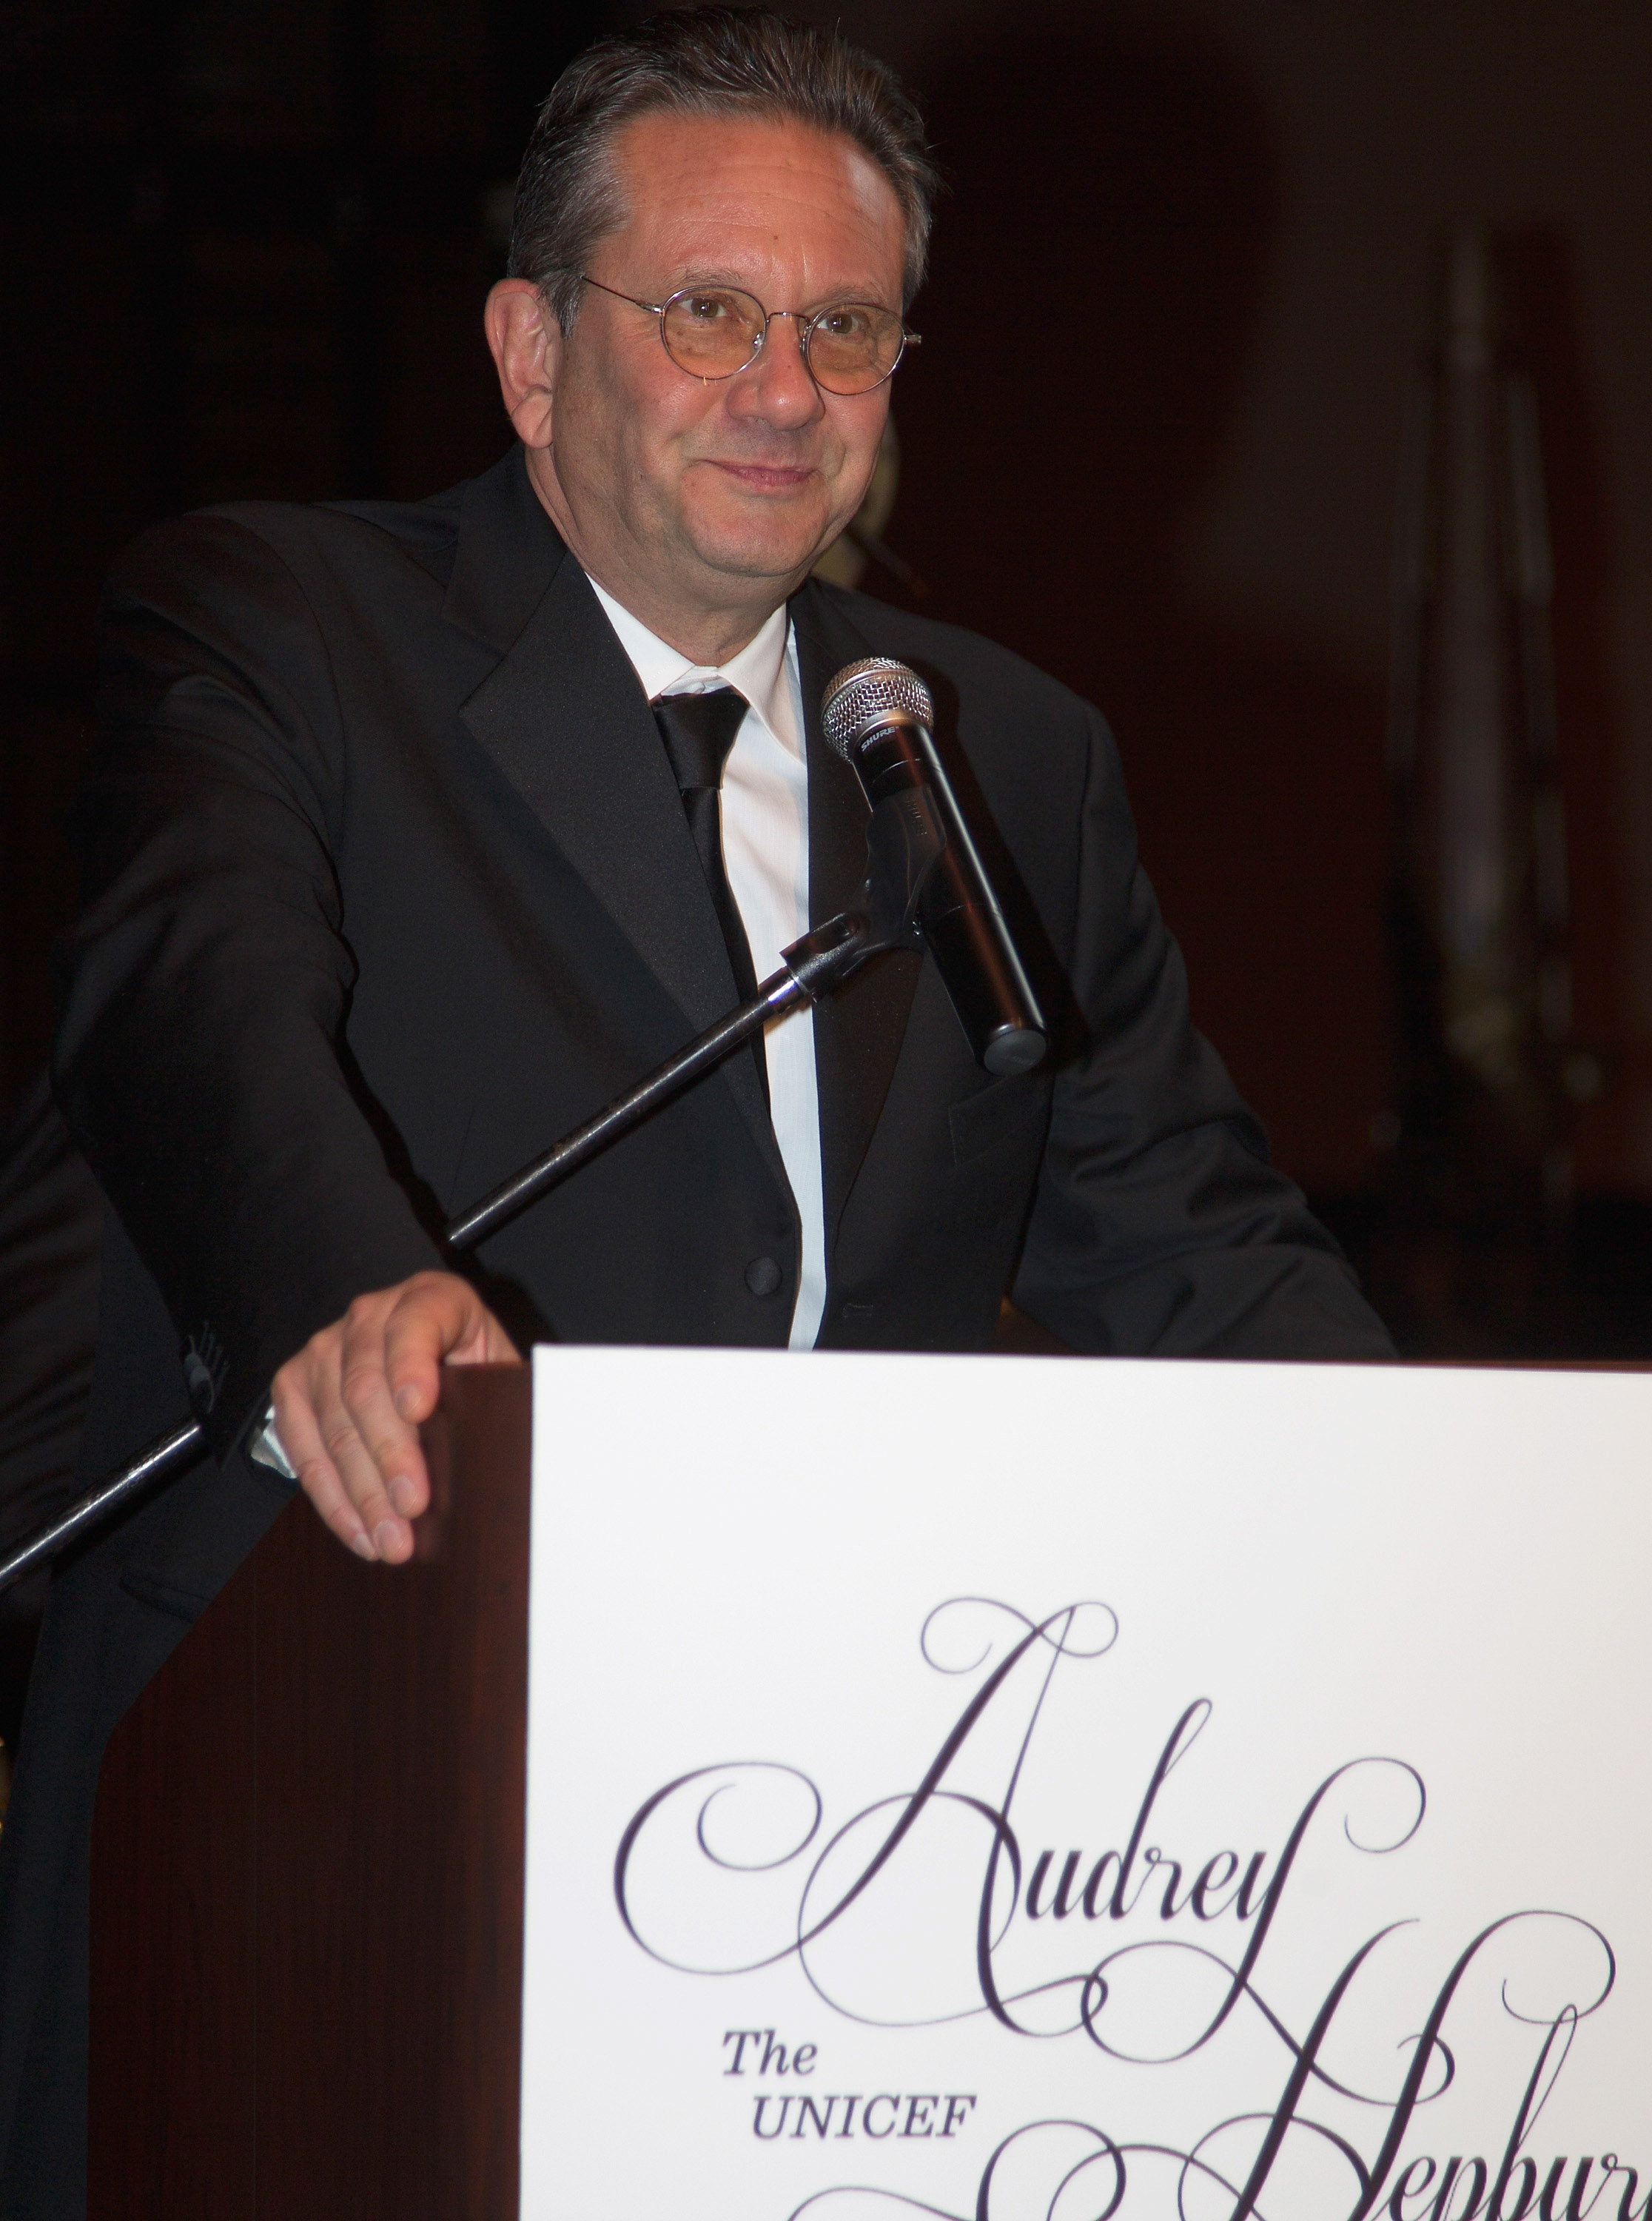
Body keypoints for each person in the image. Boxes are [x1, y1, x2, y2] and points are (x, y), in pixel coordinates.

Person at [0, 9, 1393, 2208]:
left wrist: (1468, 1537)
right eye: (712, 314)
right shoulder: (286, 624)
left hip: (822, 1847)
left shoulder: (991, 756)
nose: (783, 390)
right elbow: (197, 1010)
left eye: (845, 329)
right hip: (314, 1760)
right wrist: (341, 1289)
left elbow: (1197, 1249)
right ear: (534, 351)